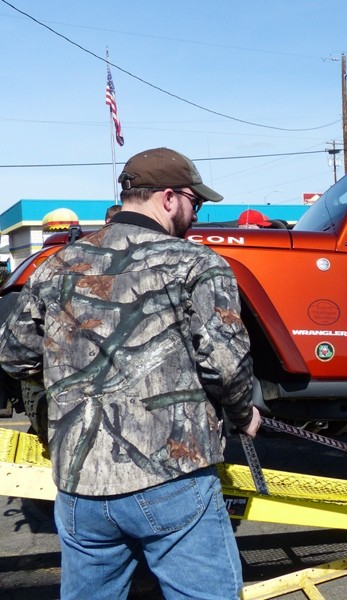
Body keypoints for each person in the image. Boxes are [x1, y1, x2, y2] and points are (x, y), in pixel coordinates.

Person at [0, 147, 261, 599]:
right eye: (195, 203)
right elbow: (225, 363)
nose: (195, 215)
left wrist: (72, 372)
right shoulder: (196, 264)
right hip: (171, 474)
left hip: (80, 485)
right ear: (168, 197)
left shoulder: (56, 267)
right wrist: (244, 414)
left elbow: (13, 357)